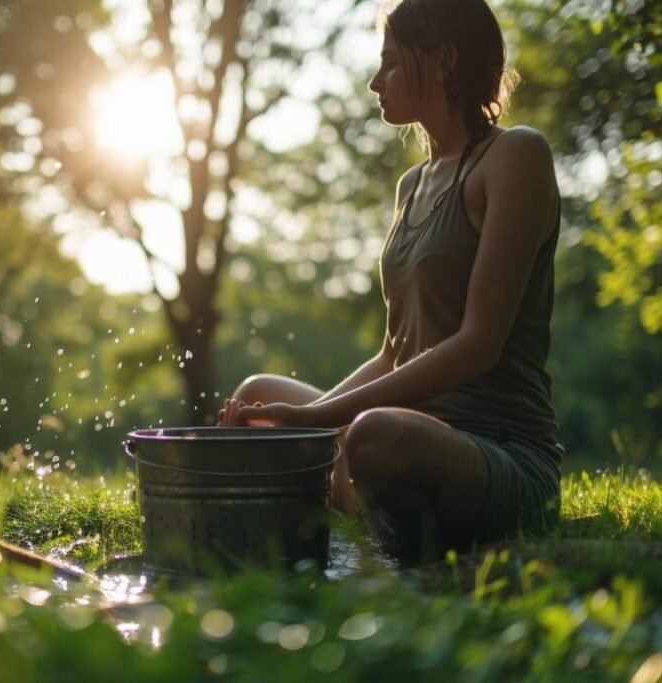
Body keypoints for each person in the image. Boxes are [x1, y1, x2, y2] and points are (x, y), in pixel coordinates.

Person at [218, 0, 563, 563]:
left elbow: (478, 345)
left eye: (391, 64)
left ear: (444, 59)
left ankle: (341, 508)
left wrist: (315, 421)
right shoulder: (412, 186)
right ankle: (322, 507)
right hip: (402, 429)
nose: (375, 82)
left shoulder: (515, 155)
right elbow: (394, 353)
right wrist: (293, 422)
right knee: (258, 394)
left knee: (374, 435)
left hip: (496, 451)